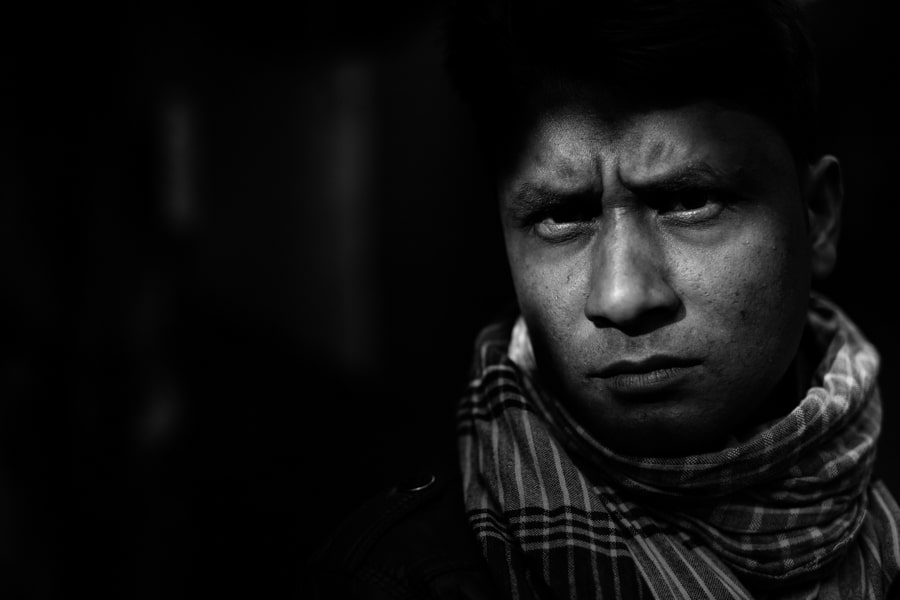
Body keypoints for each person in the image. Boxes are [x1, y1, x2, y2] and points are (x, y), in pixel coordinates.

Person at [308, 0, 900, 597]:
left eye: (689, 199)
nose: (622, 297)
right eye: (562, 215)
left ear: (817, 217)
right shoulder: (398, 580)